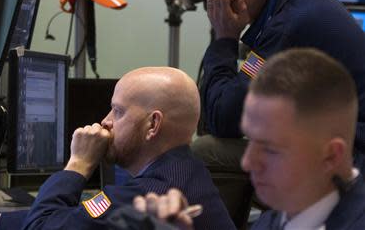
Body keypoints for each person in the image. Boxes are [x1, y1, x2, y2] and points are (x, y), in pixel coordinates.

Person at [192, 0, 365, 183]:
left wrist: (225, 37)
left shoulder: (288, 25)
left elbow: (223, 118)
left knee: (206, 151)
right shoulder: (301, 3)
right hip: (343, 141)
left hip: (353, 154)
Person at [136, 48, 365, 230]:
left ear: (331, 155)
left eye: (270, 148)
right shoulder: (279, 216)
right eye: (250, 139)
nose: (247, 162)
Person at [0, 67, 235, 230]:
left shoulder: (149, 197)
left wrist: (78, 164)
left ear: (153, 124)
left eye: (118, 111)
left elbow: (42, 227)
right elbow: (74, 219)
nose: (105, 121)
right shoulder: (184, 171)